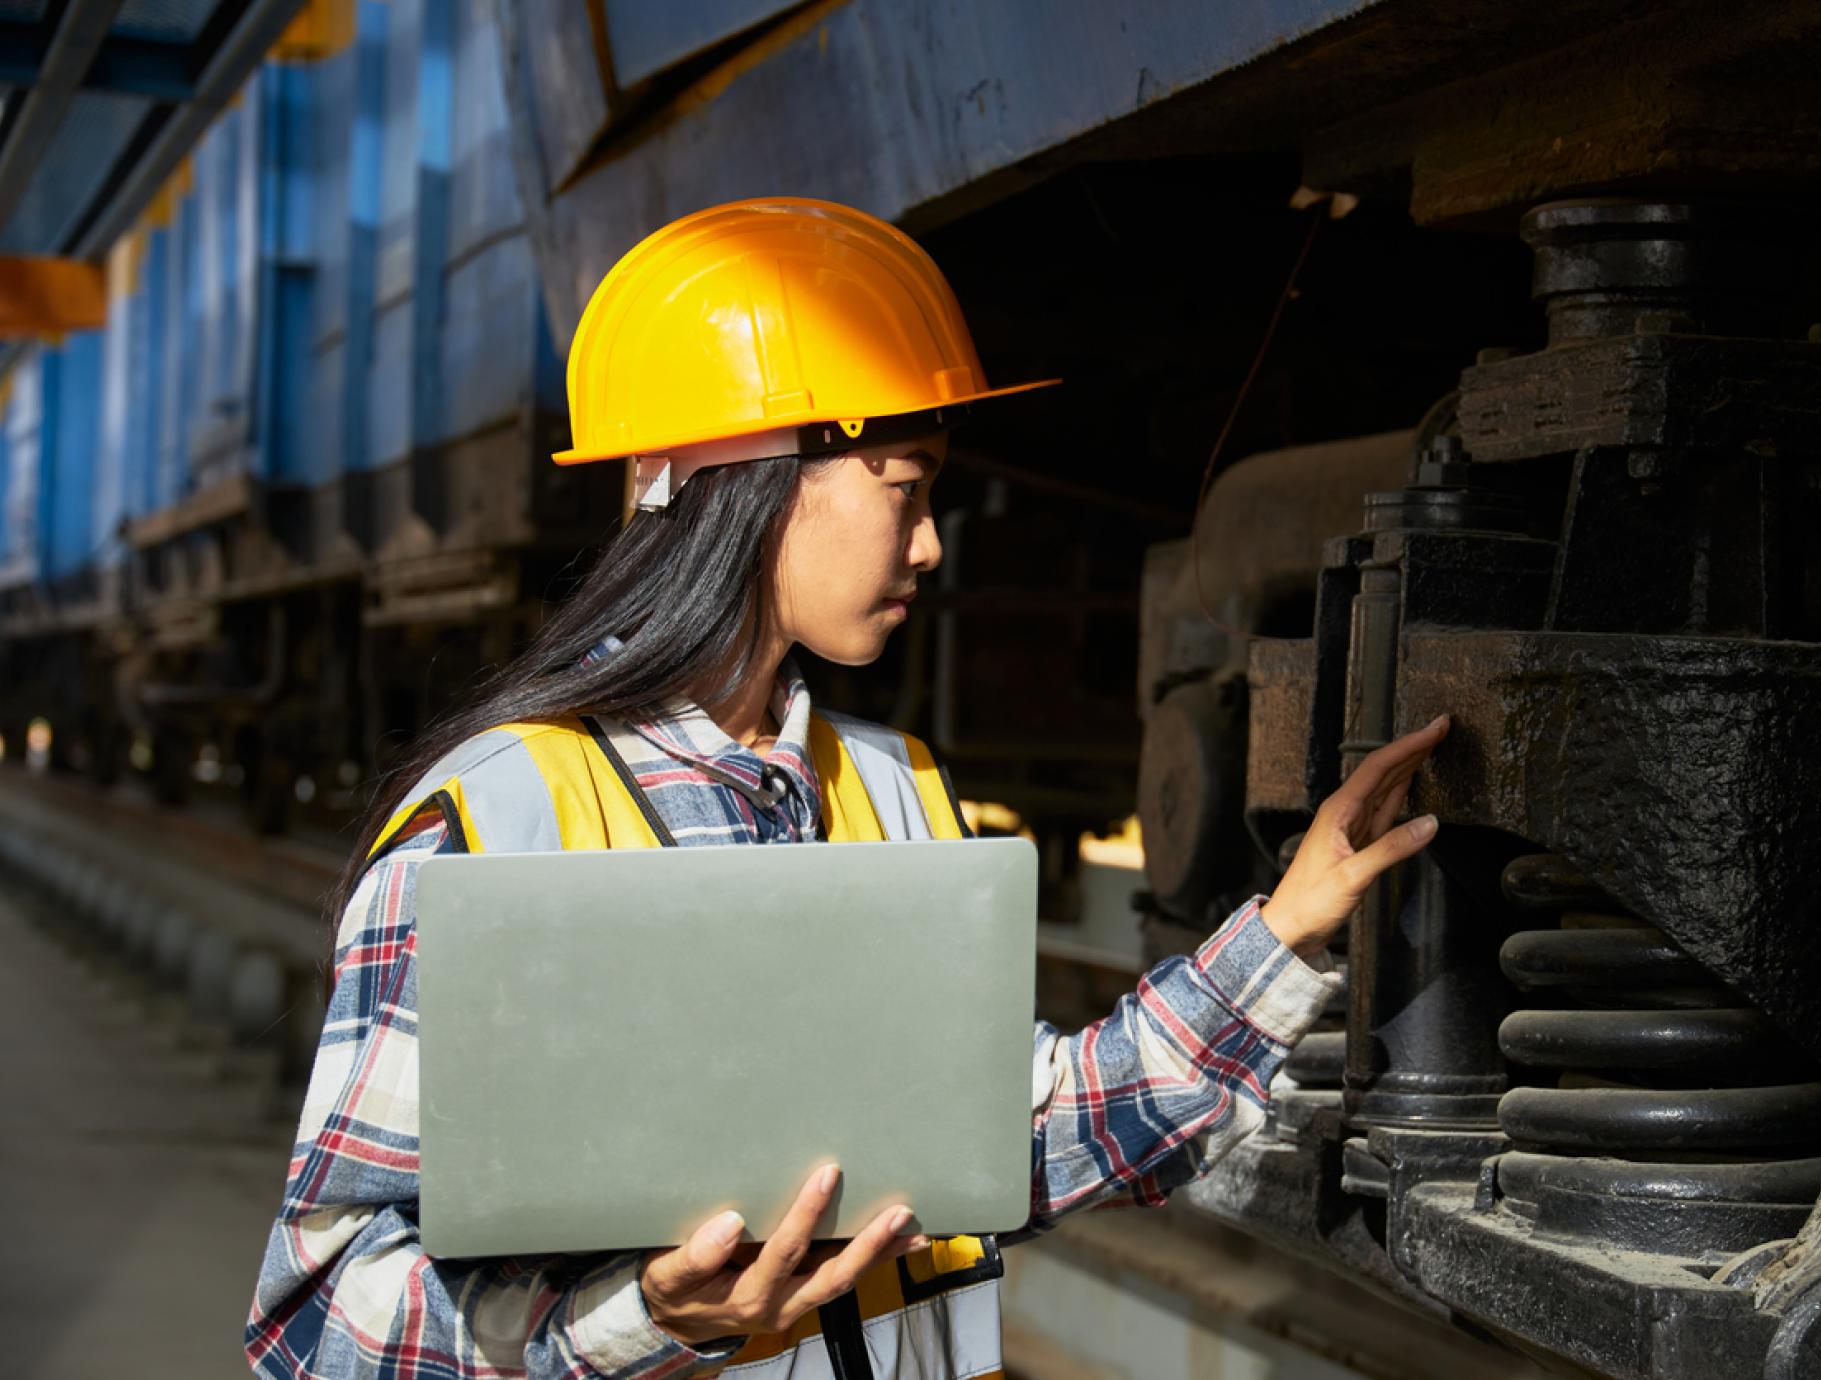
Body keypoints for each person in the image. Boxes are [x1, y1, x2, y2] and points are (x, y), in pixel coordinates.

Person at [244, 198, 1447, 1379]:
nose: (928, 543)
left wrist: (1285, 929)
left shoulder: (891, 783)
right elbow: (318, 1323)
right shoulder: (492, 819)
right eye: (902, 487)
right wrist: (634, 1319)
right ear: (752, 484)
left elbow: (1001, 1148)